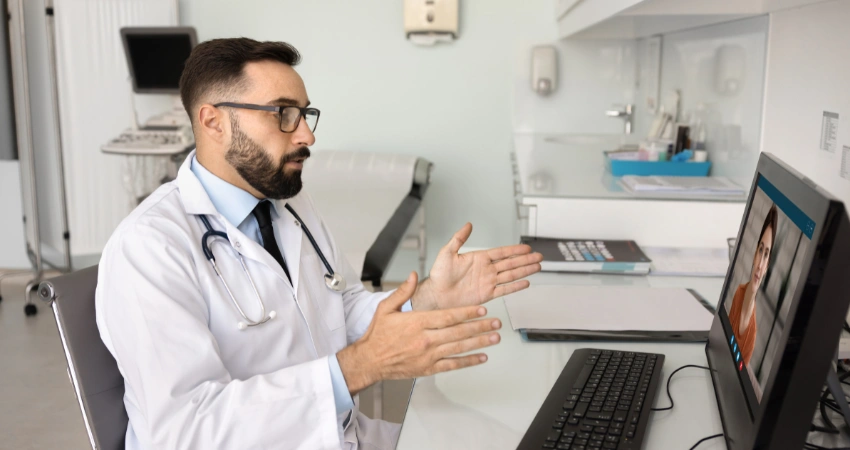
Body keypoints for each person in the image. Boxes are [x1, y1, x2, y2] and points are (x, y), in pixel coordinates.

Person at [95, 38, 543, 450]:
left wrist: (426, 298)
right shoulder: (149, 250)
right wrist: (358, 367)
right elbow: (184, 432)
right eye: (282, 114)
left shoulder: (288, 202)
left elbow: (338, 308)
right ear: (213, 121)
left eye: (305, 114)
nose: (307, 135)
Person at [728, 204, 777, 366]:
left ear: (767, 266)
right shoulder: (739, 293)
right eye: (760, 250)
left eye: (767, 254)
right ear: (755, 253)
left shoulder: (752, 334)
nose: (760, 264)